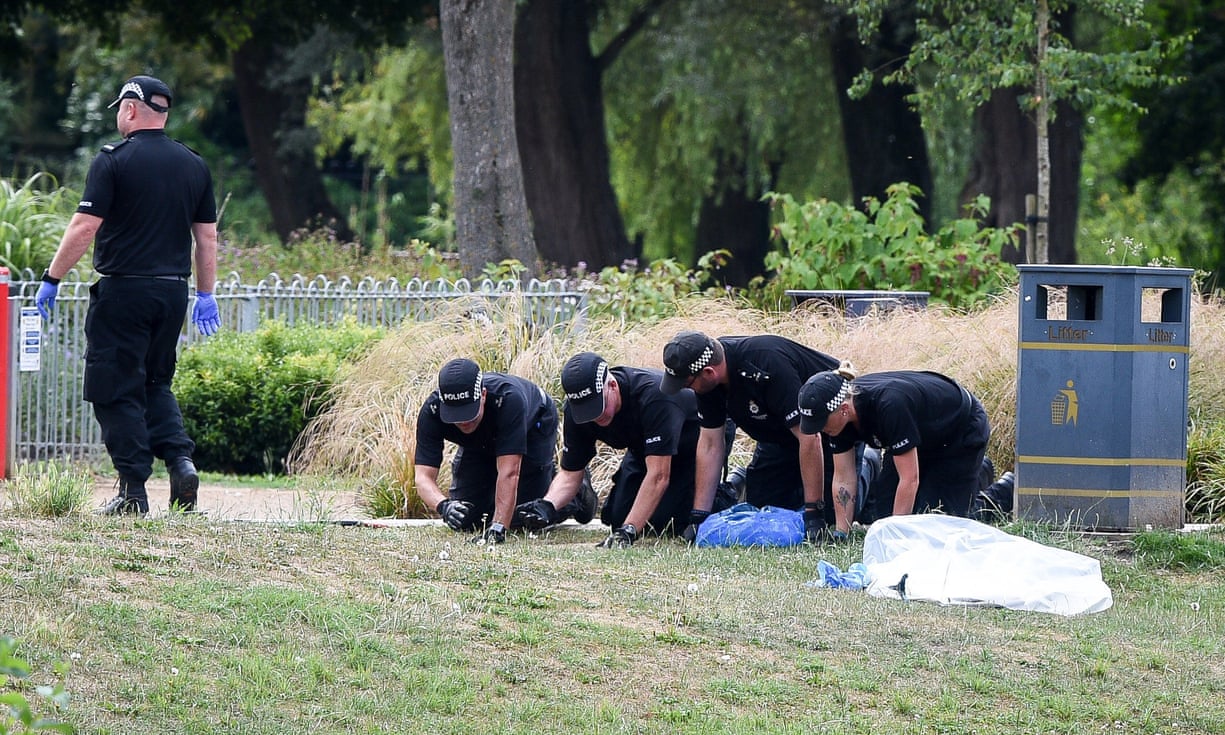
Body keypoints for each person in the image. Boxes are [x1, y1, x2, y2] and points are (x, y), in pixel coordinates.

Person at [35, 75, 220, 515]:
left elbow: (85, 227)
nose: (119, 115)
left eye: (120, 107)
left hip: (124, 292)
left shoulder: (112, 161)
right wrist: (205, 294)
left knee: (115, 388)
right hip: (173, 294)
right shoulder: (194, 164)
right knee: (156, 382)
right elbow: (208, 238)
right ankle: (181, 462)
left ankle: (132, 492)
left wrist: (53, 277)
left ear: (132, 109)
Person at [660, 331, 868, 544]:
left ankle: (868, 464)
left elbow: (810, 437)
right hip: (776, 437)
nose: (686, 390)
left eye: (687, 384)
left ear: (709, 372)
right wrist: (699, 517)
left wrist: (814, 511)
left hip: (825, 430)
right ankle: (743, 480)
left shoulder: (766, 362)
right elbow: (710, 444)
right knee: (764, 511)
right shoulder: (707, 384)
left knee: (835, 512)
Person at [516, 352, 734, 548]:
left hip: (696, 445)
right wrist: (547, 505)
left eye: (598, 408)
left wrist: (629, 531)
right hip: (645, 450)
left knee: (669, 521)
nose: (595, 417)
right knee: (615, 517)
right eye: (586, 411)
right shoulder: (578, 411)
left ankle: (732, 488)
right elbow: (571, 473)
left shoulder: (654, 396)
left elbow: (659, 476)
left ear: (612, 386)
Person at [414, 358, 593, 544]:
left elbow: (509, 472)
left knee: (525, 516)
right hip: (480, 441)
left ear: (483, 395)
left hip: (533, 425)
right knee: (465, 518)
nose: (464, 422)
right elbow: (423, 476)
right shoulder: (432, 411)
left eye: (469, 413)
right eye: (456, 417)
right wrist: (444, 506)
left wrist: (498, 527)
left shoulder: (508, 399)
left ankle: (576, 492)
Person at [797, 362, 991, 529]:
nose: (820, 430)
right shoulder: (838, 423)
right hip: (916, 438)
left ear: (844, 410)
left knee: (935, 521)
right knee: (884, 516)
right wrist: (841, 531)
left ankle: (995, 490)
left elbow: (909, 479)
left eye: (822, 423)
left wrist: (896, 536)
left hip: (959, 430)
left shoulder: (889, 405)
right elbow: (844, 478)